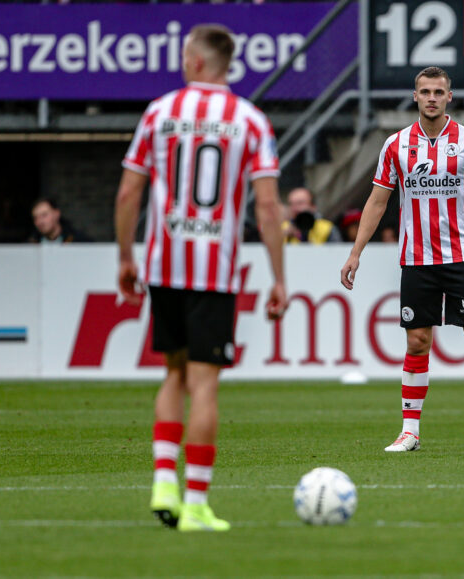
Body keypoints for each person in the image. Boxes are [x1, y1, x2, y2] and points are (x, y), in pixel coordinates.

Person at [114, 23, 287, 533]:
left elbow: (129, 194)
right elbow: (269, 205)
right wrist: (280, 277)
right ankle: (195, 504)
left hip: (165, 263)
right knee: (205, 383)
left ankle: (163, 479)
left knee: (173, 373)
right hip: (215, 270)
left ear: (194, 62)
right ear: (227, 64)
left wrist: (126, 257)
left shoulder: (160, 112)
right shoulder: (251, 121)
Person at [340, 66, 464, 454]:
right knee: (418, 342)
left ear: (449, 97)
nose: (432, 98)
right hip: (417, 260)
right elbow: (377, 201)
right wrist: (356, 252)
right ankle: (410, 431)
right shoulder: (396, 145)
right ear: (416, 96)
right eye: (426, 91)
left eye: (439, 91)